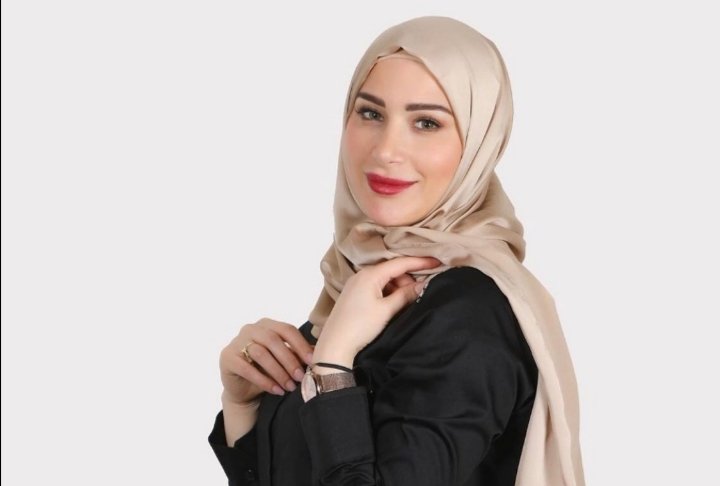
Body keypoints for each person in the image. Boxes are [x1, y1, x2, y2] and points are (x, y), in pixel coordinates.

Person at [208, 15, 586, 486]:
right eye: (371, 113)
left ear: (479, 145)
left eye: (427, 122)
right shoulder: (356, 292)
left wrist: (332, 366)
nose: (387, 150)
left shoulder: (468, 315)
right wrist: (243, 407)